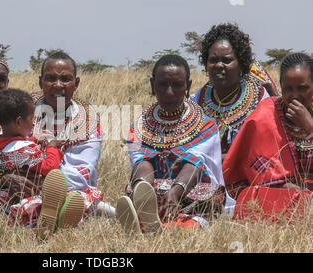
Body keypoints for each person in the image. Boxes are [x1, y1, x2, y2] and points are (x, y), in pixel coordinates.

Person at [0, 52, 114, 238]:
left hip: (62, 190)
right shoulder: (20, 107)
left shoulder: (86, 120)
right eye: (51, 79)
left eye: (65, 79)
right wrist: (5, 177)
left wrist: (32, 180)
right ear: (41, 82)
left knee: (79, 198)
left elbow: (80, 174)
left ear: (76, 83)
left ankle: (51, 217)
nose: (58, 85)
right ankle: (51, 219)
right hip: (14, 191)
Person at [117, 55, 235, 234]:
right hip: (155, 192)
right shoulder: (140, 126)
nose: (169, 92)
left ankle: (158, 223)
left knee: (201, 209)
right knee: (137, 188)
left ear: (188, 86)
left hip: (192, 194)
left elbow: (195, 165)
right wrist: (143, 189)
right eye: (162, 85)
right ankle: (147, 215)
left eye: (177, 85)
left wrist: (174, 193)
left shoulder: (205, 125)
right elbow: (141, 163)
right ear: (152, 85)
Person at [222, 53, 313, 220]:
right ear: (280, 86)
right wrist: (303, 196)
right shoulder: (266, 114)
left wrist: (309, 126)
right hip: (281, 194)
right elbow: (267, 177)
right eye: (287, 89)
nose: (294, 95)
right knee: (253, 197)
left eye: (302, 88)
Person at [191, 23, 277, 156]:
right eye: (213, 60)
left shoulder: (260, 99)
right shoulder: (197, 100)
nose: (219, 65)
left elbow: (265, 149)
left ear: (241, 64)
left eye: (227, 60)